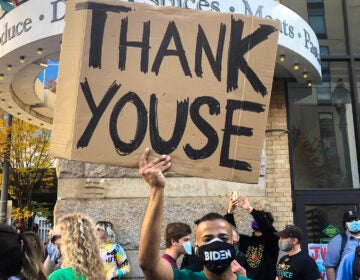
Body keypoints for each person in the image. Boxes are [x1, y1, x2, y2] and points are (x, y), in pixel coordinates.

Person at [138, 147, 250, 280]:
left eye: (224, 238)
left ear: (234, 245)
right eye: (207, 239)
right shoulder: (185, 277)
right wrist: (157, 189)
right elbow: (149, 265)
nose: (216, 243)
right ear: (197, 249)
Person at [224, 194, 279, 280]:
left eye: (258, 219)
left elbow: (268, 229)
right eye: (255, 219)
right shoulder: (246, 241)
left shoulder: (272, 242)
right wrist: (230, 212)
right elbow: (231, 232)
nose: (255, 221)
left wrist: (251, 210)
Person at [48, 213, 106, 280]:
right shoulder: (98, 273)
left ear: (69, 242)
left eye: (55, 237)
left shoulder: (59, 276)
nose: (54, 242)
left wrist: (49, 259)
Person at [324, 210, 360, 280]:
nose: (354, 222)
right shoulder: (338, 241)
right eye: (350, 220)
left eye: (356, 219)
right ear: (345, 225)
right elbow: (329, 266)